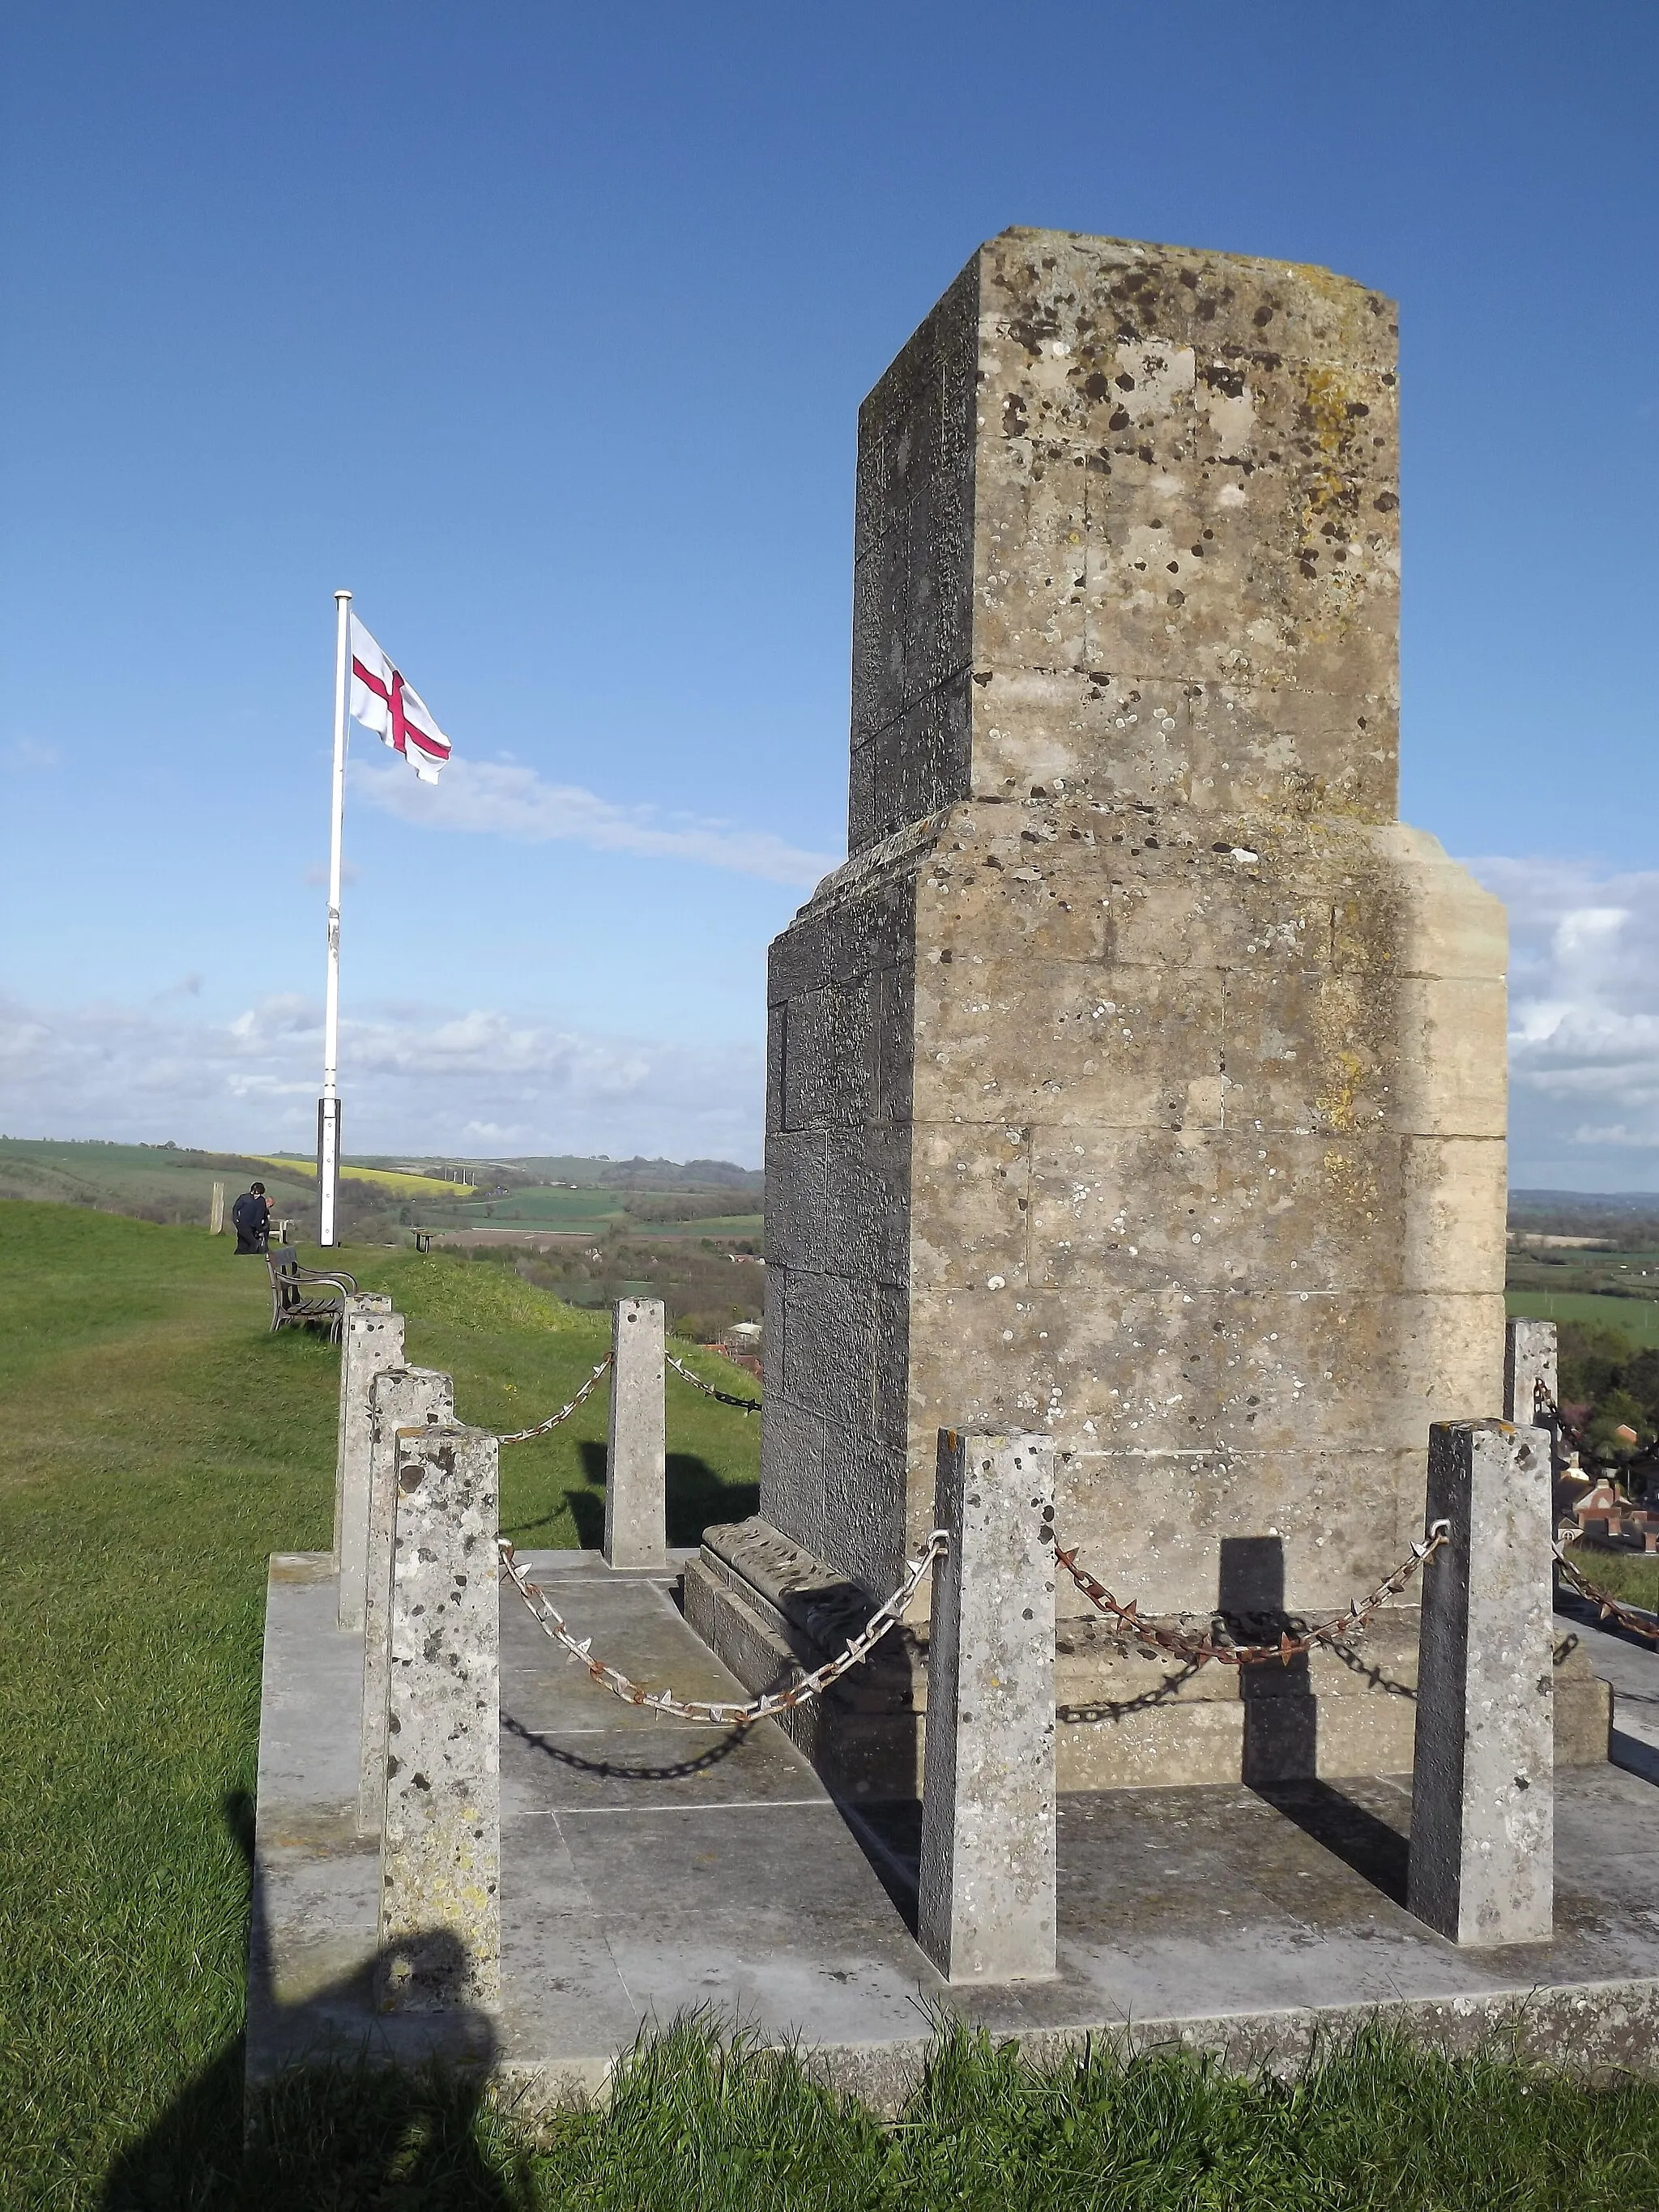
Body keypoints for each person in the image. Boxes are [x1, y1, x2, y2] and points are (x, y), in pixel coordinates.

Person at [230, 1181, 271, 1255]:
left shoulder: (260, 1201)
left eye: (258, 1194)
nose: (256, 1195)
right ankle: (244, 1256)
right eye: (254, 1193)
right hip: (243, 1225)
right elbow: (236, 1208)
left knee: (245, 1245)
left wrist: (258, 1228)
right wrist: (236, 1220)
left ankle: (241, 1256)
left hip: (250, 1227)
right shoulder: (244, 1198)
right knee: (252, 1244)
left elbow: (259, 1217)